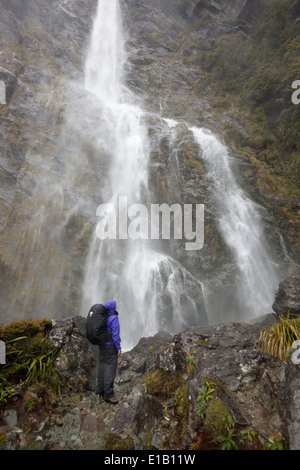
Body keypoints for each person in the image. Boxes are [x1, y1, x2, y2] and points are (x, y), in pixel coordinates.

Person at [96, 300, 122, 404]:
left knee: (102, 366)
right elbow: (115, 334)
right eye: (115, 306)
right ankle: (109, 395)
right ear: (113, 308)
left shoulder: (102, 318)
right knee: (110, 369)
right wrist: (118, 347)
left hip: (102, 347)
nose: (116, 308)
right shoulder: (113, 318)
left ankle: (100, 390)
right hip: (111, 347)